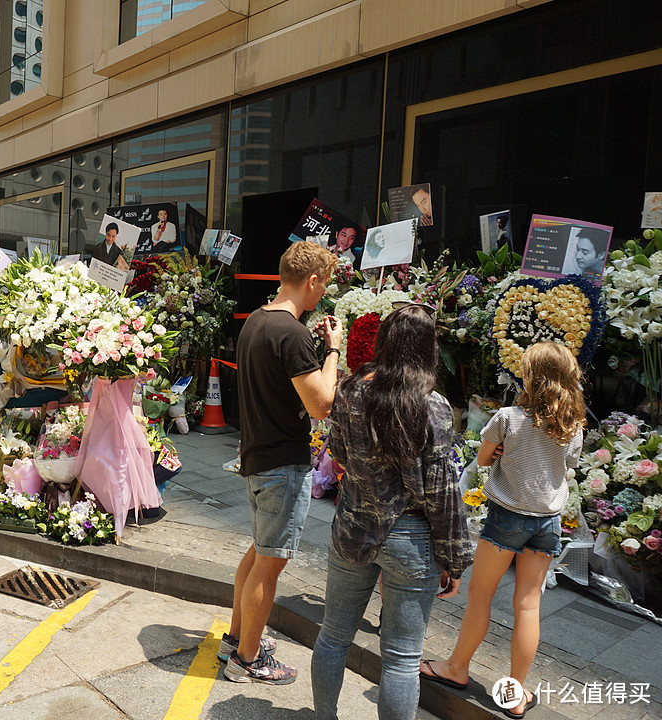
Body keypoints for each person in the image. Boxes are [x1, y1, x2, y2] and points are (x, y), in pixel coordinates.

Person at [310, 303, 473, 720]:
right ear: (427, 349)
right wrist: (454, 559)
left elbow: (341, 453)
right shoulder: (433, 406)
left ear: (383, 341)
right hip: (413, 540)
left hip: (353, 525)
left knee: (333, 637)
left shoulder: (350, 389)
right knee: (401, 660)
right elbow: (442, 493)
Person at [421, 342, 585, 720]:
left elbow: (482, 459)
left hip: (506, 517)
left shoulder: (509, 417)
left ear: (531, 376)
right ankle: (515, 692)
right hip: (548, 522)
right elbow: (568, 464)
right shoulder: (573, 424)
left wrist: (501, 454)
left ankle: (456, 668)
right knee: (528, 605)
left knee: (480, 597)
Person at [222, 241, 342, 684]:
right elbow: (321, 403)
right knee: (270, 563)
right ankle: (247, 659)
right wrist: (332, 350)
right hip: (282, 465)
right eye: (324, 283)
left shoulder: (256, 321)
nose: (323, 292)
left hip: (257, 457)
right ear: (312, 280)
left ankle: (238, 638)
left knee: (258, 554)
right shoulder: (292, 335)